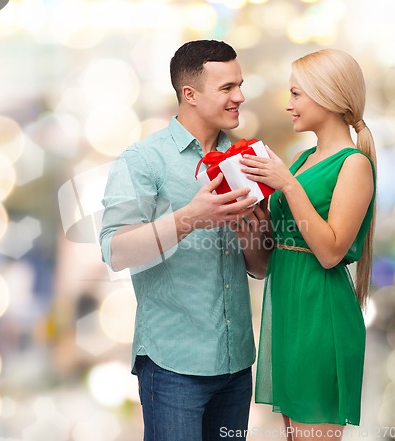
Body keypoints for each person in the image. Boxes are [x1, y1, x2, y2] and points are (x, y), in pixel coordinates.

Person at [99, 40, 267, 441]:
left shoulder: (248, 159)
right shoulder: (142, 160)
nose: (240, 97)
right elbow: (115, 250)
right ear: (189, 94)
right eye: (227, 88)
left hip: (236, 363)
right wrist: (191, 218)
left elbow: (259, 268)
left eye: (239, 85)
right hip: (173, 368)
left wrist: (254, 236)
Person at [239, 49, 376, 440]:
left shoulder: (354, 164)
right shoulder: (300, 161)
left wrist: (286, 185)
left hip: (320, 313)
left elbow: (331, 251)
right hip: (288, 310)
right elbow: (285, 237)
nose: (288, 105)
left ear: (328, 96)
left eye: (296, 94)